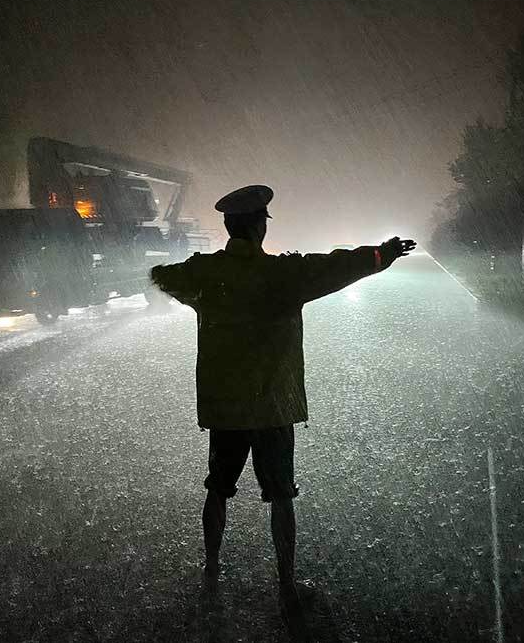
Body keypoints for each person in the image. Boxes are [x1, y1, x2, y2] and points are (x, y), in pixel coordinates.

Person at [149, 185, 415, 620]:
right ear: (259, 227)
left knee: (218, 487)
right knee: (281, 496)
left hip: (227, 408)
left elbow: (165, 278)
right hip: (271, 405)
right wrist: (380, 255)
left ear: (230, 226)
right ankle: (287, 585)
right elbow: (335, 267)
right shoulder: (282, 276)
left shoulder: (205, 274)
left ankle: (211, 568)